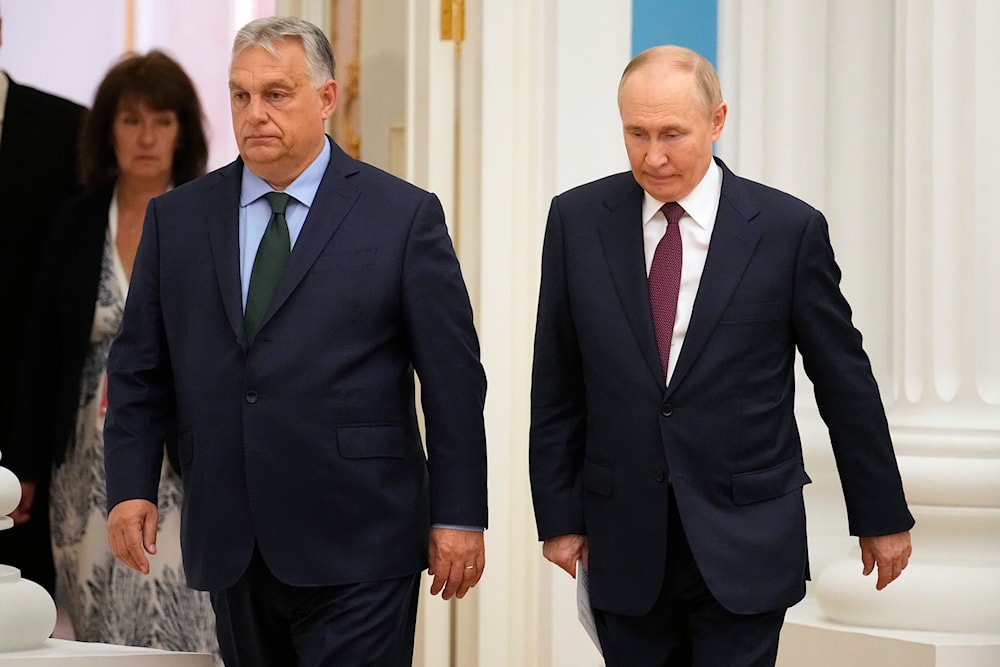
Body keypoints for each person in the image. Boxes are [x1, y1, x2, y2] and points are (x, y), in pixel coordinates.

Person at [104, 16, 487, 667]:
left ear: (326, 98)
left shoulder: (402, 216)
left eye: (277, 94)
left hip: (362, 535)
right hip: (231, 531)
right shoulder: (180, 219)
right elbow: (140, 367)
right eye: (241, 95)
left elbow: (452, 379)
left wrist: (459, 514)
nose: (256, 113)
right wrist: (130, 485)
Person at [528, 45, 914, 667]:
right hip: (624, 536)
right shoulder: (577, 221)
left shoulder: (787, 230)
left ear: (718, 120)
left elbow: (843, 380)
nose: (653, 156)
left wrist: (881, 514)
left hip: (748, 536)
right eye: (636, 133)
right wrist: (558, 514)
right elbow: (557, 379)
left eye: (673, 134)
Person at [8, 50, 221, 662]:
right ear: (107, 131)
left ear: (183, 131)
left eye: (163, 120)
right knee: (99, 625)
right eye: (131, 121)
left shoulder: (210, 218)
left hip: (182, 463)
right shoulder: (76, 223)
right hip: (83, 463)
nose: (147, 137)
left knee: (189, 620)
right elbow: (41, 354)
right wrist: (24, 464)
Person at [0, 9, 86, 596]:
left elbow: (66, 311)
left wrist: (31, 454)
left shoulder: (66, 129)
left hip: (27, 425)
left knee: (26, 613)